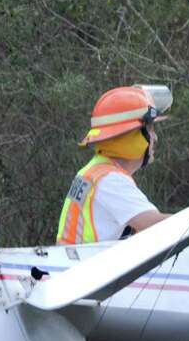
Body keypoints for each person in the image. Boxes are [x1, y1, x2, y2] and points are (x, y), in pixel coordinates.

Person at [56, 85, 172, 245]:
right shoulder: (110, 180)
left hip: (79, 265)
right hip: (88, 268)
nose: (155, 137)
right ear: (132, 138)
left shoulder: (96, 171)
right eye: (150, 129)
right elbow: (155, 225)